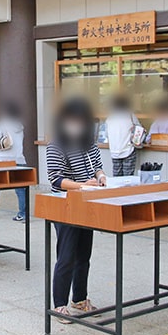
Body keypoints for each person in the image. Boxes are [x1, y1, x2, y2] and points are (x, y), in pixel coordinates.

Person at [46, 97, 107, 322]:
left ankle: (79, 299)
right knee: (67, 255)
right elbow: (55, 180)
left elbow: (97, 166)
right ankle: (60, 305)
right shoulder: (56, 145)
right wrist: (82, 185)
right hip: (65, 205)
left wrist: (100, 176)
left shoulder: (88, 143)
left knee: (84, 255)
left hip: (87, 203)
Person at [0, 101, 27, 221]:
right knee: (21, 189)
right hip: (19, 160)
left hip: (2, 161)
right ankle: (23, 214)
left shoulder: (2, 124)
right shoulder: (20, 126)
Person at [105, 94, 142, 177]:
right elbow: (139, 129)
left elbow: (106, 135)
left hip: (114, 151)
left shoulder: (110, 117)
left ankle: (117, 190)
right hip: (128, 150)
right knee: (127, 178)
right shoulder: (130, 115)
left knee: (117, 177)